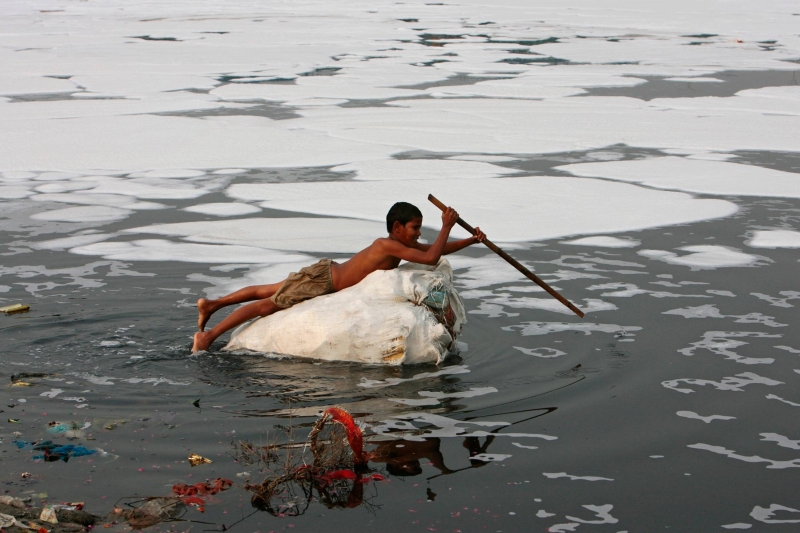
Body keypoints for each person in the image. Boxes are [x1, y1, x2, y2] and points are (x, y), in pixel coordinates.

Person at [192, 201, 485, 352]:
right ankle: (208, 337)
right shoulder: (387, 245)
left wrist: (471, 240)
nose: (419, 233)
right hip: (324, 281)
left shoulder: (400, 246)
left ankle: (212, 305)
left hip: (326, 273)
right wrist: (447, 224)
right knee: (266, 304)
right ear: (397, 228)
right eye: (414, 227)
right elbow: (431, 256)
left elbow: (435, 250)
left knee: (267, 291)